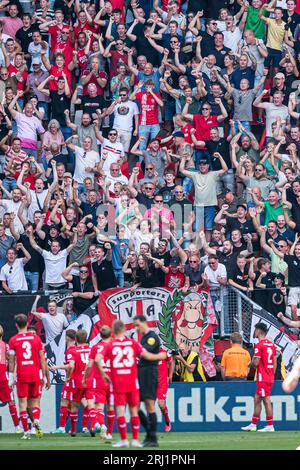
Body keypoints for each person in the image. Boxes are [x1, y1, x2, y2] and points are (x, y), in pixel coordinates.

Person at [93, 319, 166, 448]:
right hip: (132, 382)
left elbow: (97, 359)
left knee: (120, 412)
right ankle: (136, 440)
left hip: (118, 383)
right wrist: (160, 356)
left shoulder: (110, 344)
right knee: (134, 411)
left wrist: (103, 374)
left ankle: (124, 440)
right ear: (125, 330)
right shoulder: (132, 343)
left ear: (113, 331)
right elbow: (147, 356)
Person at [8, 313, 47, 440]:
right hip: (35, 373)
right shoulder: (36, 339)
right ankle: (36, 420)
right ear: (27, 324)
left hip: (22, 374)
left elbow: (12, 360)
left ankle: (26, 432)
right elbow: (42, 358)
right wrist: (44, 376)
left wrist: (11, 376)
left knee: (23, 404)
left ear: (16, 325)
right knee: (35, 401)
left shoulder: (13, 340)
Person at [241, 322, 277, 433]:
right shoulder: (271, 345)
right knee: (257, 399)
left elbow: (256, 362)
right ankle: (253, 424)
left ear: (259, 331)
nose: (254, 332)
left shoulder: (259, 345)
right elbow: (275, 361)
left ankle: (270, 425)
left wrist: (249, 365)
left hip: (263, 377)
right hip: (269, 376)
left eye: (255, 329)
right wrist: (271, 374)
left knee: (266, 400)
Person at [83, 325, 115, 440]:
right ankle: (109, 434)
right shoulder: (115, 347)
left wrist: (85, 377)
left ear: (100, 335)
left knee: (99, 407)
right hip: (113, 380)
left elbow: (90, 365)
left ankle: (101, 425)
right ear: (110, 334)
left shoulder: (95, 347)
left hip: (100, 379)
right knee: (111, 407)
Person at [133, 314, 160, 447]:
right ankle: (149, 433)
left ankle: (152, 438)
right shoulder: (144, 337)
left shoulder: (152, 337)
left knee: (149, 405)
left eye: (138, 325)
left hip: (150, 372)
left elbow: (145, 352)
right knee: (135, 405)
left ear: (144, 323)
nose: (136, 328)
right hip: (141, 373)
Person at [0, 323, 21, 433]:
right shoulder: (5, 345)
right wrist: (13, 375)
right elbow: (13, 360)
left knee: (11, 402)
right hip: (4, 377)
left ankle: (17, 427)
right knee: (11, 402)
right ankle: (17, 427)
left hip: (3, 377)